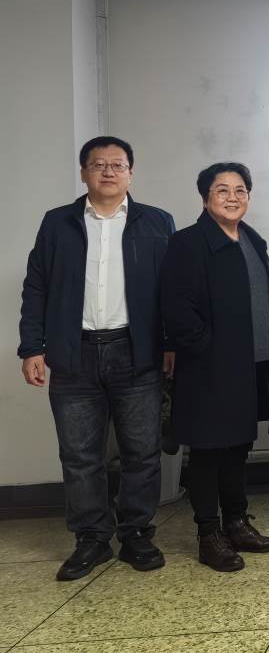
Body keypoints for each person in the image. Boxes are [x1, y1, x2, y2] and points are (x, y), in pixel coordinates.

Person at [19, 136, 173, 580]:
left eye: (117, 164)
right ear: (84, 172)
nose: (108, 171)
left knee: (142, 451)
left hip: (137, 352)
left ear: (131, 173)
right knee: (79, 454)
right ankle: (92, 538)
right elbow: (37, 285)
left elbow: (173, 289)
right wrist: (32, 347)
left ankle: (137, 533)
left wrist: (171, 344)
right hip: (74, 353)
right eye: (98, 164)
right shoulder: (58, 222)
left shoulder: (156, 222)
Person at [161, 163, 269, 572]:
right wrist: (207, 350)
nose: (233, 197)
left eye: (240, 190)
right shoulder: (187, 243)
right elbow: (177, 310)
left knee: (237, 447)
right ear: (205, 197)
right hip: (210, 367)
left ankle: (237, 522)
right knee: (208, 451)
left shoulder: (251, 239)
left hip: (252, 363)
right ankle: (208, 534)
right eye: (222, 190)